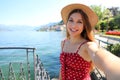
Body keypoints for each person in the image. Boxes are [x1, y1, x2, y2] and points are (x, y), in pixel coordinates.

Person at [59, 3, 120, 80]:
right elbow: (62, 67)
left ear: (84, 26)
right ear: (67, 22)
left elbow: (97, 54)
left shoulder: (87, 45)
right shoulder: (63, 43)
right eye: (71, 20)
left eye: (79, 22)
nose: (74, 25)